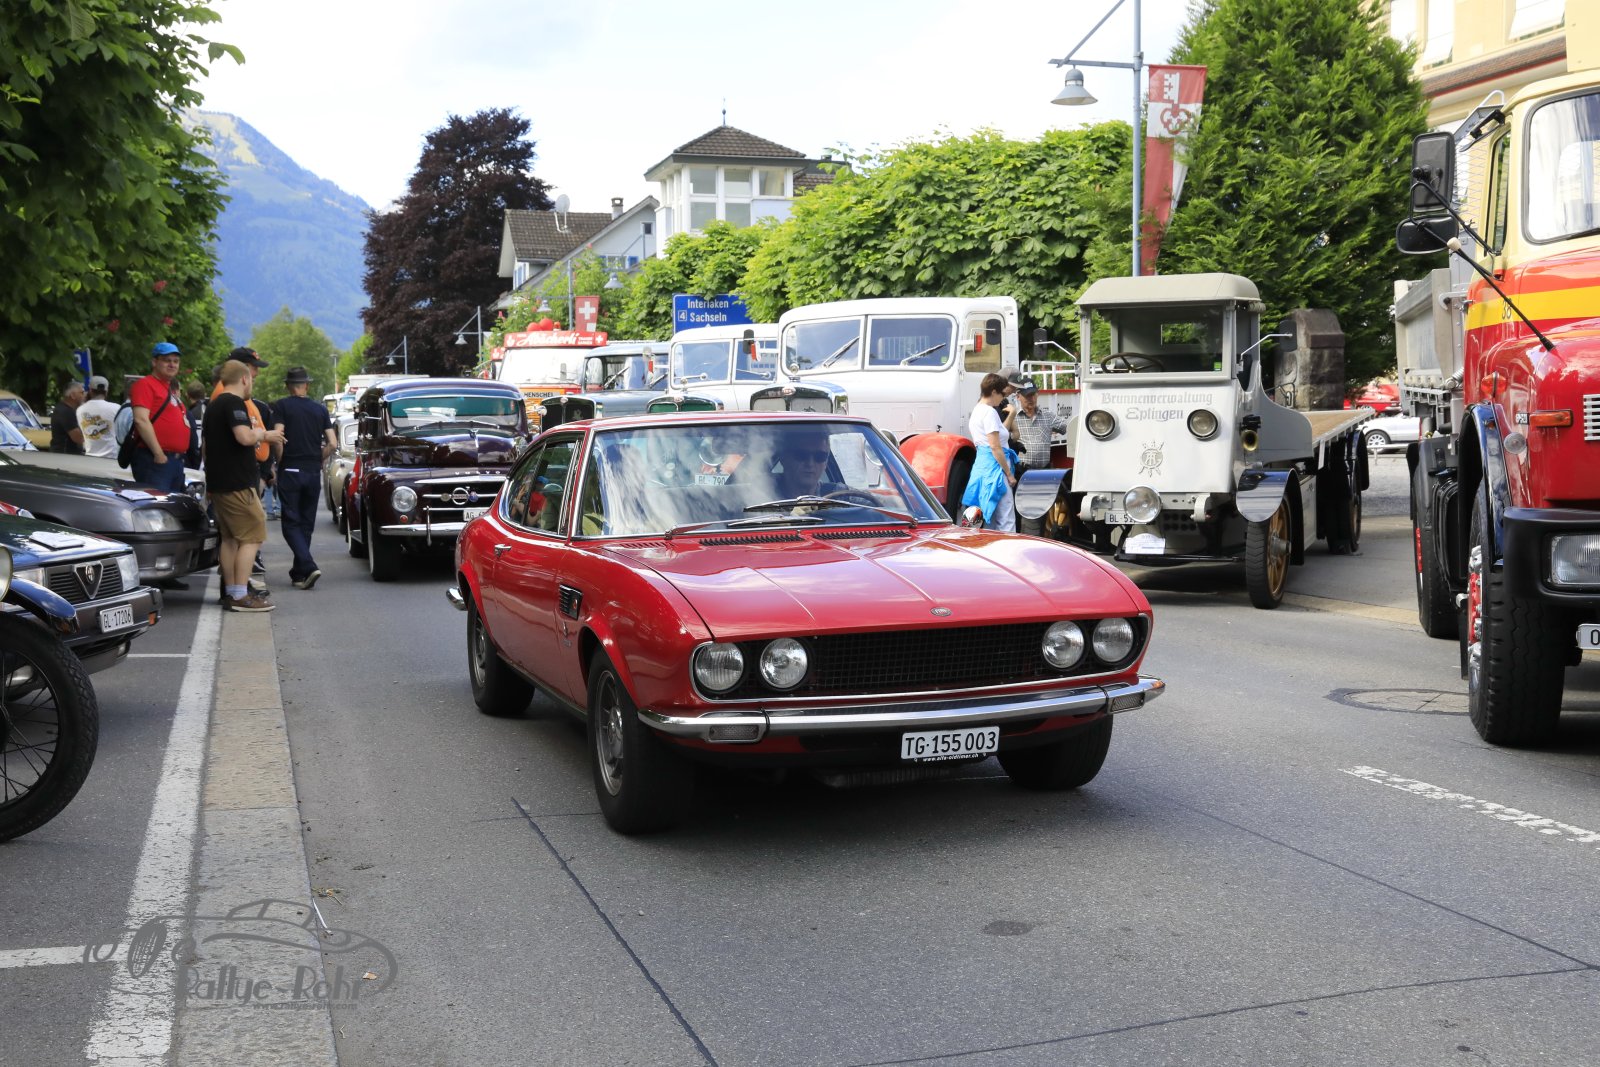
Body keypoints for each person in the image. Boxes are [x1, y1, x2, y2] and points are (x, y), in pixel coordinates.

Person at [203, 359, 284, 611]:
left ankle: (231, 591)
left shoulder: (213, 406)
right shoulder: (234, 403)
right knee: (253, 535)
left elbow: (206, 448)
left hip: (219, 483)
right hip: (237, 483)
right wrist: (263, 434)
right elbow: (244, 436)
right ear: (244, 379)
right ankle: (240, 595)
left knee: (229, 539)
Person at [272, 366, 336, 589]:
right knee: (306, 523)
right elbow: (333, 443)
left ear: (288, 386)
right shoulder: (320, 409)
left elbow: (278, 437)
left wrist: (280, 461)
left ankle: (308, 565)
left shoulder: (281, 406)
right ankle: (299, 574)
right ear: (306, 385)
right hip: (312, 471)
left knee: (291, 522)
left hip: (291, 469)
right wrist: (318, 457)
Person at [1004, 376, 1070, 534]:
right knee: (1022, 516)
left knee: (1042, 514)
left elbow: (1069, 427)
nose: (1030, 399)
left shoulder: (1047, 416)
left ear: (1037, 395)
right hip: (1022, 473)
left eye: (1033, 394)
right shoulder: (1013, 417)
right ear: (1018, 396)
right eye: (1027, 395)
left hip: (1043, 474)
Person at [129, 342, 192, 491]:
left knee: (170, 504)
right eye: (166, 360)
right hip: (155, 459)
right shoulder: (145, 384)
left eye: (176, 361)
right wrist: (158, 453)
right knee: (156, 503)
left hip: (174, 461)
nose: (172, 364)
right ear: (154, 362)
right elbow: (141, 420)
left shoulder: (169, 389)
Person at [961, 372, 1017, 529]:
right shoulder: (990, 412)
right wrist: (1009, 474)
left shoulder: (977, 410)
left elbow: (995, 438)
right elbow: (995, 446)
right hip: (996, 468)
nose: (1003, 398)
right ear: (993, 392)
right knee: (1006, 517)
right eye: (1001, 394)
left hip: (982, 466)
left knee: (986, 516)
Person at [76, 377, 119, 458]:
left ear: (90, 390)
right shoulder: (116, 408)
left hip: (89, 456)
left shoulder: (80, 409)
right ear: (106, 391)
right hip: (112, 457)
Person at [49, 381, 86, 454]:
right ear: (73, 395)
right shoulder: (66, 412)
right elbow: (79, 438)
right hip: (65, 455)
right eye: (82, 393)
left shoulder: (65, 409)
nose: (84, 395)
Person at [184, 381, 207, 469]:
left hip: (194, 459)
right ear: (204, 395)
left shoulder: (189, 414)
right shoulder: (209, 410)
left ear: (187, 395)